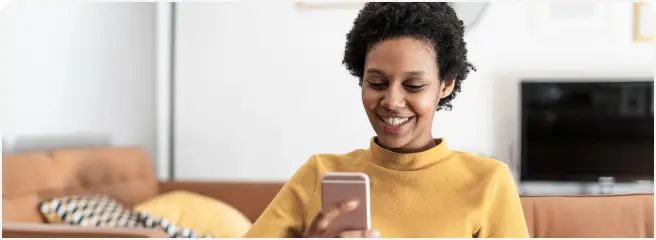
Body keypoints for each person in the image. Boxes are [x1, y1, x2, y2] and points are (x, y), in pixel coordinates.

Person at [243, 2, 529, 238]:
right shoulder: (320, 173)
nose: (391, 101)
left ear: (445, 85)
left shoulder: (488, 182)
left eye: (413, 85)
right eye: (377, 83)